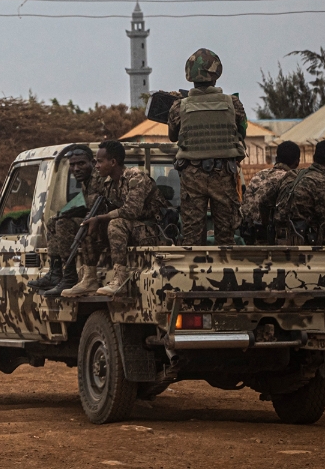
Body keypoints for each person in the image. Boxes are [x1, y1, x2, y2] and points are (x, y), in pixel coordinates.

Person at [168, 48, 248, 246]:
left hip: (192, 175)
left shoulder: (179, 106)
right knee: (226, 236)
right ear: (216, 74)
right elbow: (241, 132)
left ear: (189, 75)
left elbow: (172, 137)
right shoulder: (233, 103)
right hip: (224, 174)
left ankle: (194, 275)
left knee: (192, 237)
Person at [63, 141, 164, 297]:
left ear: (113, 162)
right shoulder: (109, 183)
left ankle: (120, 280)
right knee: (88, 227)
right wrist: (93, 221)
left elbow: (131, 211)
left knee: (115, 223)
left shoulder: (135, 177)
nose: (96, 166)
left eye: (100, 161)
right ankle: (89, 279)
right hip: (130, 231)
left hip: (151, 231)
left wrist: (101, 217)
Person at [31, 144, 98, 295]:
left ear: (92, 163)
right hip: (96, 221)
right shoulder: (86, 182)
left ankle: (69, 276)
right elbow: (88, 206)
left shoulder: (97, 179)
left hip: (103, 223)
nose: (76, 169)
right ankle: (55, 273)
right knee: (53, 220)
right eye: (73, 165)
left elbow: (96, 208)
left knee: (62, 223)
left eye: (81, 163)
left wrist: (67, 215)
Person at [240, 141, 301, 244]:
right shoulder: (291, 180)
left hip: (248, 237)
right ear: (297, 162)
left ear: (276, 159)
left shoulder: (259, 175)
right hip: (271, 240)